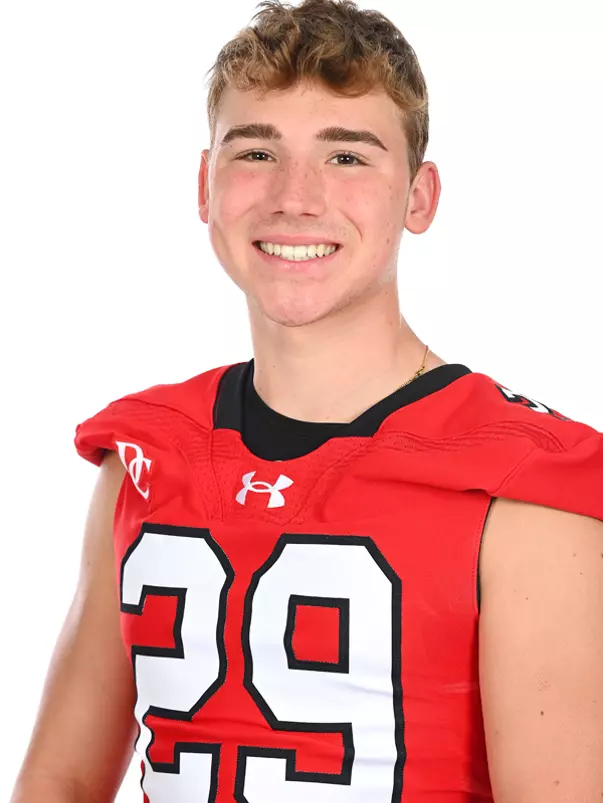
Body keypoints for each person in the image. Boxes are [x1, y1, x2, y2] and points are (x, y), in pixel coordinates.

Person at [11, 0, 603, 801]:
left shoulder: (522, 482)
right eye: (256, 150)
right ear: (205, 184)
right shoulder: (145, 456)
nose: (295, 197)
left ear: (419, 198)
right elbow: (62, 780)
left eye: (347, 158)